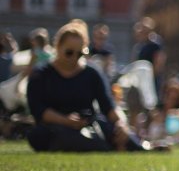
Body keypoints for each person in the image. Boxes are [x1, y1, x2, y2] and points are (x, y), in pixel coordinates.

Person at [26, 20, 147, 152]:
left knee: (115, 130)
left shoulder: (91, 73)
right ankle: (106, 147)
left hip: (89, 126)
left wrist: (121, 124)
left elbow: (108, 106)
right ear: (57, 46)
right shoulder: (41, 73)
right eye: (69, 53)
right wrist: (66, 120)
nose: (74, 58)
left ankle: (144, 147)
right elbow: (38, 109)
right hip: (54, 127)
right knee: (40, 135)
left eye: (79, 54)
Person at [131, 17, 166, 105]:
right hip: (140, 77)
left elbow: (158, 61)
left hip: (151, 77)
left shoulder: (155, 45)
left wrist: (151, 77)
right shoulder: (140, 45)